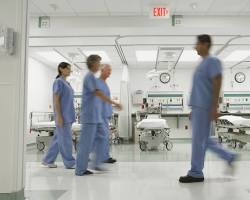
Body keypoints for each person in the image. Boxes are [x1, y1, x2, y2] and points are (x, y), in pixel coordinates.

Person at [179, 34, 237, 183]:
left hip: (205, 107)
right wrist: (193, 108)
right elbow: (200, 88)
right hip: (199, 107)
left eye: (197, 44)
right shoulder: (202, 63)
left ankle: (196, 172)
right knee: (204, 139)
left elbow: (217, 81)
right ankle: (229, 156)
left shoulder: (212, 61)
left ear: (205, 44)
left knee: (198, 140)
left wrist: (214, 106)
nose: (195, 47)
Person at [75, 55, 122, 176]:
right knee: (86, 143)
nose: (100, 65)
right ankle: (80, 169)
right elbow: (98, 93)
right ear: (94, 64)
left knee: (102, 138)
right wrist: (114, 102)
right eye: (99, 63)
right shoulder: (89, 77)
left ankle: (96, 164)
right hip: (90, 116)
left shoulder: (93, 78)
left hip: (96, 116)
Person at [42, 62, 76, 169]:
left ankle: (47, 160)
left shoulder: (67, 83)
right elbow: (56, 100)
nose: (70, 71)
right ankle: (70, 163)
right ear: (61, 69)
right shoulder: (58, 82)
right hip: (63, 116)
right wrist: (59, 116)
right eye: (68, 69)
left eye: (70, 69)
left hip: (68, 116)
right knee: (66, 140)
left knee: (58, 140)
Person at [97, 64, 117, 164]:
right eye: (108, 70)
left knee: (104, 137)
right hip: (100, 115)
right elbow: (98, 99)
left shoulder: (104, 83)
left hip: (105, 115)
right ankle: (100, 157)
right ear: (102, 70)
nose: (110, 72)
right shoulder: (98, 83)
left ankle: (104, 156)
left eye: (110, 70)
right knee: (102, 137)